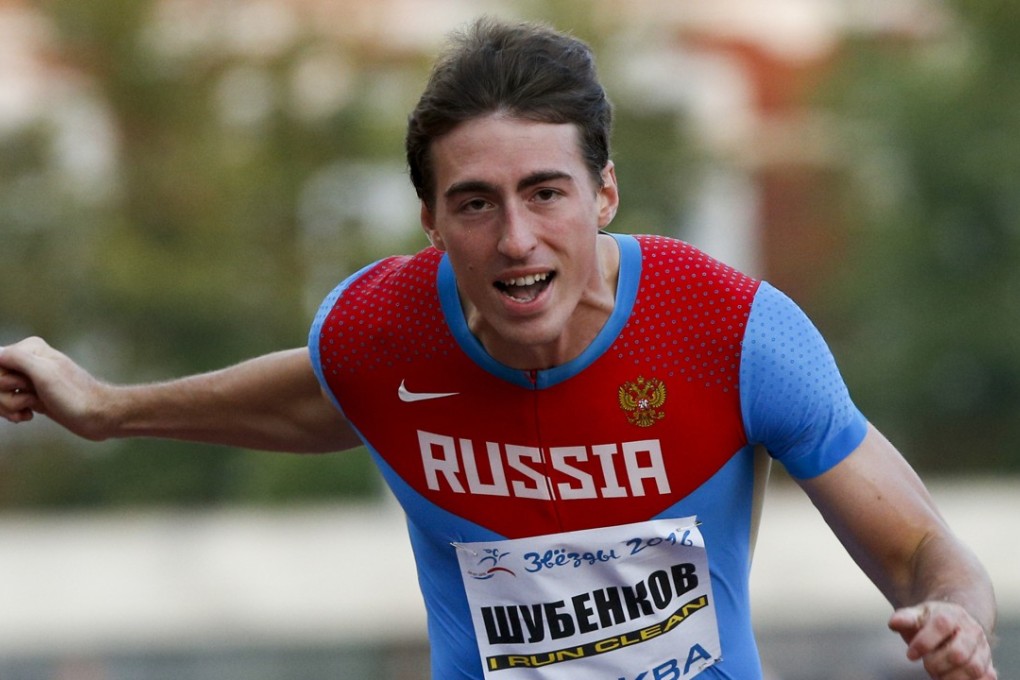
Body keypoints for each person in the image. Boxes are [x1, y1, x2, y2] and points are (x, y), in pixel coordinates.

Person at [0, 17, 997, 680]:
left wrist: (958, 616)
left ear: (603, 193)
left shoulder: (729, 332)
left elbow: (922, 550)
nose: (516, 239)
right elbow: (318, 398)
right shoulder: (379, 335)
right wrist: (106, 407)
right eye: (475, 203)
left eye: (545, 192)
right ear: (431, 219)